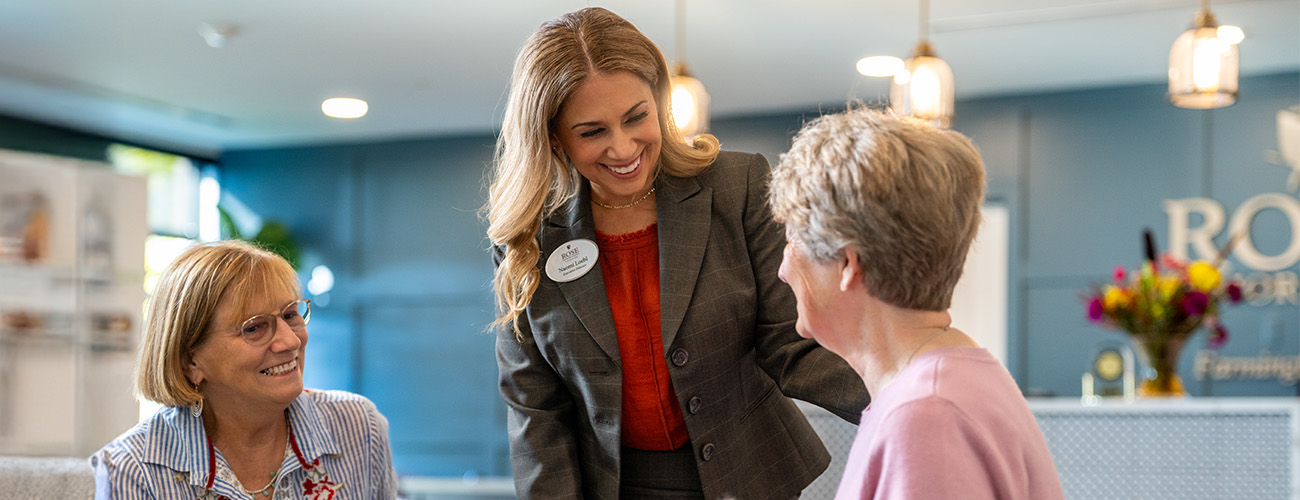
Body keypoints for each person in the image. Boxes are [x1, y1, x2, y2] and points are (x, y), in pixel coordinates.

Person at [485, 7, 871, 500]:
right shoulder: (528, 240)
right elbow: (536, 406)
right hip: (615, 485)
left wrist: (907, 393)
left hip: (748, 477)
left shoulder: (737, 187)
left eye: (636, 117)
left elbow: (791, 344)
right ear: (554, 137)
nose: (623, 148)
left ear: (659, 103)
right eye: (592, 132)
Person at [768, 107, 1065, 500]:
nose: (782, 269)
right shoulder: (948, 381)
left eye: (792, 242)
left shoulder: (926, 415)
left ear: (847, 264)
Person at [91, 240, 397, 500]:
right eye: (254, 328)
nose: (290, 341)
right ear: (190, 361)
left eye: (291, 314)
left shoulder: (358, 426)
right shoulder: (133, 468)